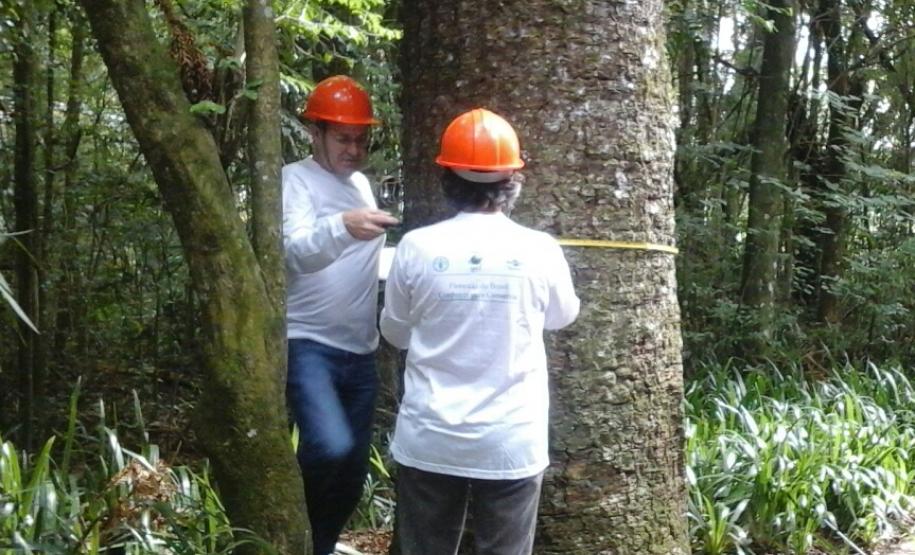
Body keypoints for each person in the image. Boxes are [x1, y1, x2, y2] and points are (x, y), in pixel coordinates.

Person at [380, 108, 580, 555]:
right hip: (511, 438)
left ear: (447, 179)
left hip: (431, 435)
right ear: (512, 180)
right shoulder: (540, 249)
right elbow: (562, 316)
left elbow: (395, 332)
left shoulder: (416, 247)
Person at [283, 75, 398, 555]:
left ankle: (320, 547)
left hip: (360, 350)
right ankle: (292, 536)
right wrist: (342, 226)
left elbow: (362, 261)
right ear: (316, 133)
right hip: (308, 343)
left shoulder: (361, 186)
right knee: (328, 447)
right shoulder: (294, 179)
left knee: (352, 472)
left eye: (360, 140)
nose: (353, 150)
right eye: (343, 139)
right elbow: (293, 253)